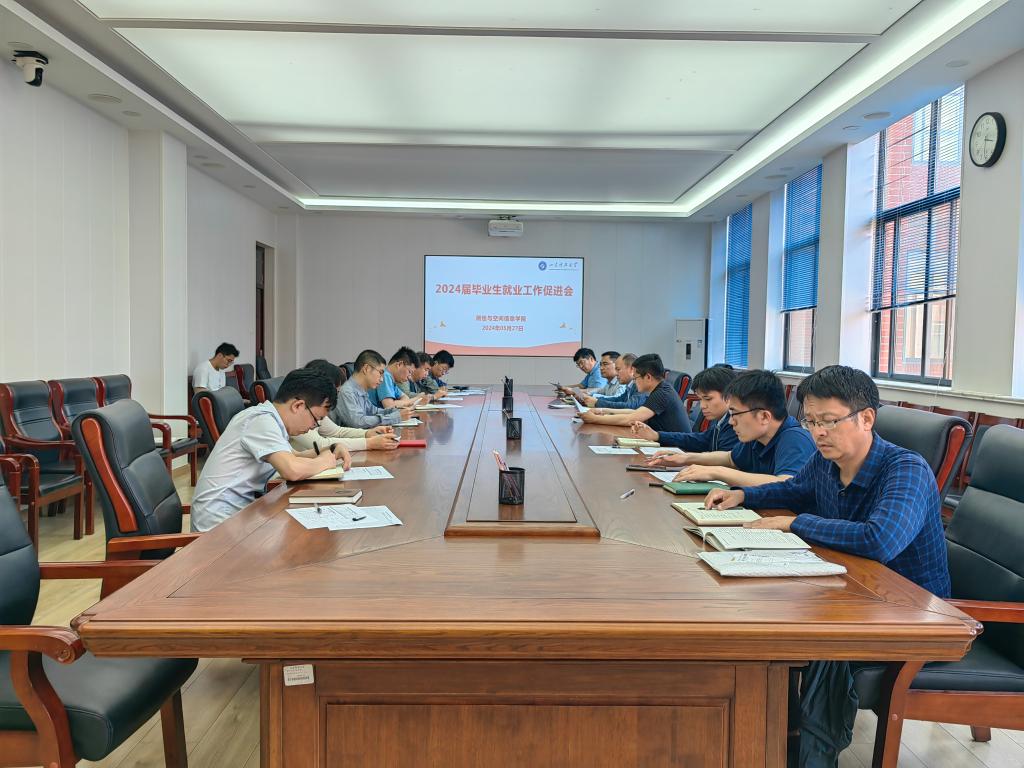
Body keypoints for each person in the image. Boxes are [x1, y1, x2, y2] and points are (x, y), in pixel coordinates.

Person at [706, 365, 950, 767]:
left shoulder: (905, 469)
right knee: (763, 614)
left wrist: (795, 523)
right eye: (811, 421)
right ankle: (763, 739)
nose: (818, 432)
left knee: (821, 643)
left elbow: (879, 540)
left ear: (866, 418)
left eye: (829, 421)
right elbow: (794, 489)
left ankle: (808, 755)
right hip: (852, 594)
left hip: (910, 612)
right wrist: (742, 497)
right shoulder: (826, 461)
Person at [190, 368, 348, 532]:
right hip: (218, 526)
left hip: (242, 515)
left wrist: (331, 449)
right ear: (298, 405)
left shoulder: (271, 420)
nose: (313, 426)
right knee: (303, 535)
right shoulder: (261, 420)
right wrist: (325, 461)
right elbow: (292, 469)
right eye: (316, 419)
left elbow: (294, 456)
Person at [644, 369, 814, 488]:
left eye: (735, 414)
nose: (731, 422)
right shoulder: (757, 437)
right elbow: (730, 458)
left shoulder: (795, 439)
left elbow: (786, 483)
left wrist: (717, 472)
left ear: (764, 416)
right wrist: (684, 458)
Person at [290, 360, 401, 453]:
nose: (336, 396)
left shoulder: (314, 407)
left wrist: (367, 433)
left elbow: (336, 432)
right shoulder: (299, 410)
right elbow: (320, 444)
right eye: (335, 391)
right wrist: (368, 443)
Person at [630, 363, 739, 453]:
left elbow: (724, 461)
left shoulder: (735, 424)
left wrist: (687, 459)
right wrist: (657, 435)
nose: (702, 406)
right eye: (700, 399)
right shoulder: (721, 420)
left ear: (728, 396)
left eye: (708, 399)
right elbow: (700, 440)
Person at [579, 353, 690, 432]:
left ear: (648, 377)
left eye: (636, 377)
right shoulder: (660, 389)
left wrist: (595, 419)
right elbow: (634, 412)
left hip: (676, 448)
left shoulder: (662, 393)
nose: (634, 381)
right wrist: (602, 410)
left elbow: (631, 418)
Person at [335, 349, 413, 428]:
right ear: (366, 369)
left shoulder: (361, 390)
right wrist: (394, 417)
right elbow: (358, 422)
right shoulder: (347, 392)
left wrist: (396, 411)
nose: (382, 379)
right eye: (380, 373)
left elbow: (374, 411)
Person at [580, 353, 645, 409]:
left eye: (618, 369)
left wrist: (597, 402)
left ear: (632, 369)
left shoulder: (639, 385)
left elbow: (630, 406)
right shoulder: (630, 386)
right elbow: (618, 399)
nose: (616, 374)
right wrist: (595, 400)